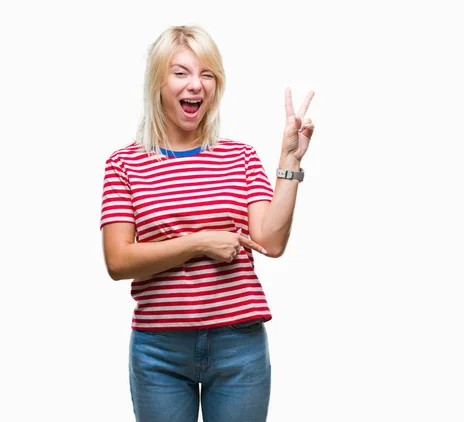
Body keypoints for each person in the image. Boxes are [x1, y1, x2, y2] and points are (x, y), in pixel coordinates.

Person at [100, 24, 315, 422]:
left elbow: (270, 241)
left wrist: (289, 160)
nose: (195, 85)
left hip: (239, 346)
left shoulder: (241, 157)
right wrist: (200, 242)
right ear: (158, 82)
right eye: (180, 73)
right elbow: (118, 261)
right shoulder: (124, 164)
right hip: (158, 349)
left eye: (207, 74)